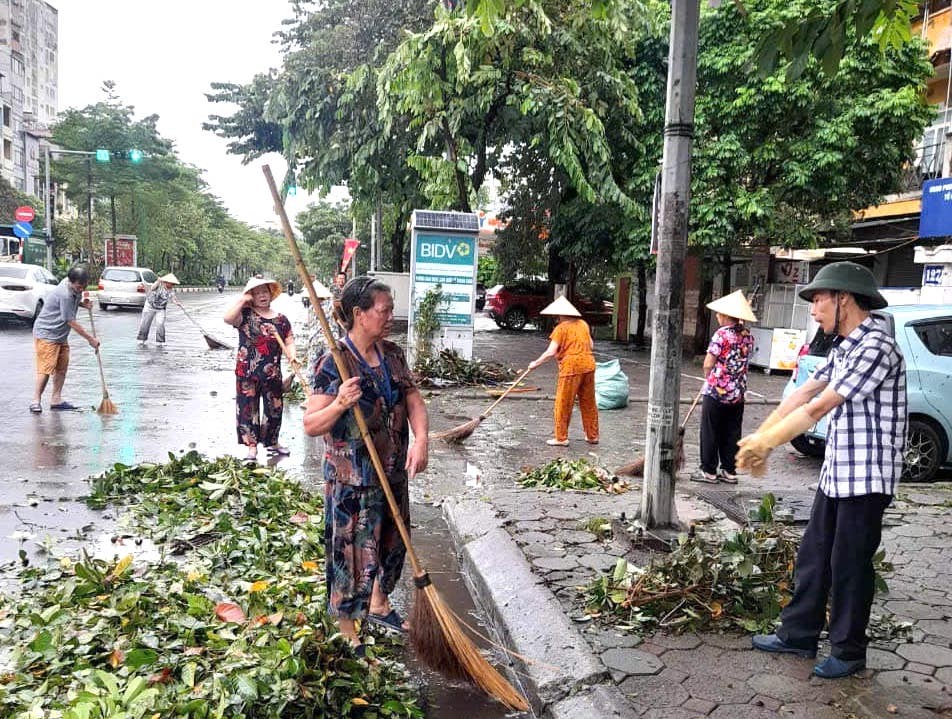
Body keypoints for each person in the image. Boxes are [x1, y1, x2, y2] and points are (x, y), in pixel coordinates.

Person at [738, 262, 905, 680]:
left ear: (842, 299)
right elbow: (805, 390)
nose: (813, 310)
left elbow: (820, 406)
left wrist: (769, 444)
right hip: (838, 473)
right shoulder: (846, 346)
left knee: (848, 564)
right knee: (813, 556)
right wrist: (760, 433)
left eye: (817, 300)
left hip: (866, 478)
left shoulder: (876, 347)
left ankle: (849, 651)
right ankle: (799, 634)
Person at [303, 276, 429, 651]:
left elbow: (413, 399)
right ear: (359, 314)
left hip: (392, 471)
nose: (390, 316)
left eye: (391, 309)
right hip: (352, 480)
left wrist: (421, 440)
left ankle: (378, 602)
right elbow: (311, 424)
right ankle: (348, 630)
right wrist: (340, 403)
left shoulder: (392, 353)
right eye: (384, 310)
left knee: (392, 545)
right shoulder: (333, 362)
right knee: (352, 555)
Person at [224, 276, 297, 463]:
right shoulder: (245, 315)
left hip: (272, 373)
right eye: (256, 293)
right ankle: (251, 447)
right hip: (247, 371)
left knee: (275, 408)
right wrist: (243, 300)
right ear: (251, 296)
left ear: (271, 294)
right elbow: (227, 318)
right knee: (248, 409)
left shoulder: (281, 320)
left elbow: (289, 340)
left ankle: (272, 442)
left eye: (264, 292)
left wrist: (292, 356)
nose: (262, 296)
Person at [691, 290, 756, 484]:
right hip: (738, 392)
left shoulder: (721, 335)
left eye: (719, 313)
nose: (717, 316)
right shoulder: (747, 336)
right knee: (732, 432)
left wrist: (709, 379)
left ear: (727, 315)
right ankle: (729, 470)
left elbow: (708, 363)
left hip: (717, 391)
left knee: (711, 430)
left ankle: (709, 471)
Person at [527, 295, 599, 446]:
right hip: (589, 365)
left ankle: (561, 438)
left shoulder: (560, 329)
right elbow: (591, 345)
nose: (556, 318)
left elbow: (551, 352)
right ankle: (592, 436)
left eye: (557, 316)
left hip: (571, 367)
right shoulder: (583, 324)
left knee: (564, 402)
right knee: (588, 402)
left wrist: (535, 363)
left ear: (561, 315)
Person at [29, 265, 100, 413]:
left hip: (61, 335)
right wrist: (90, 339)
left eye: (84, 286)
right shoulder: (65, 294)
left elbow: (69, 305)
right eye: (79, 286)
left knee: (61, 368)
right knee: (46, 369)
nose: (81, 289)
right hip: (47, 333)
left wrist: (82, 304)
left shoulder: (73, 287)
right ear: (71, 281)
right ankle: (35, 400)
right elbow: (70, 321)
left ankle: (56, 400)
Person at [136, 273, 182, 347]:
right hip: (150, 306)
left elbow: (173, 298)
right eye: (171, 283)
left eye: (173, 284)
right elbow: (152, 288)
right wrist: (158, 281)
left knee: (160, 323)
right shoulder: (159, 284)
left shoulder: (171, 290)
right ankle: (141, 340)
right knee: (145, 323)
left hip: (161, 309)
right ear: (167, 282)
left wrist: (177, 303)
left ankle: (160, 341)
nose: (172, 285)